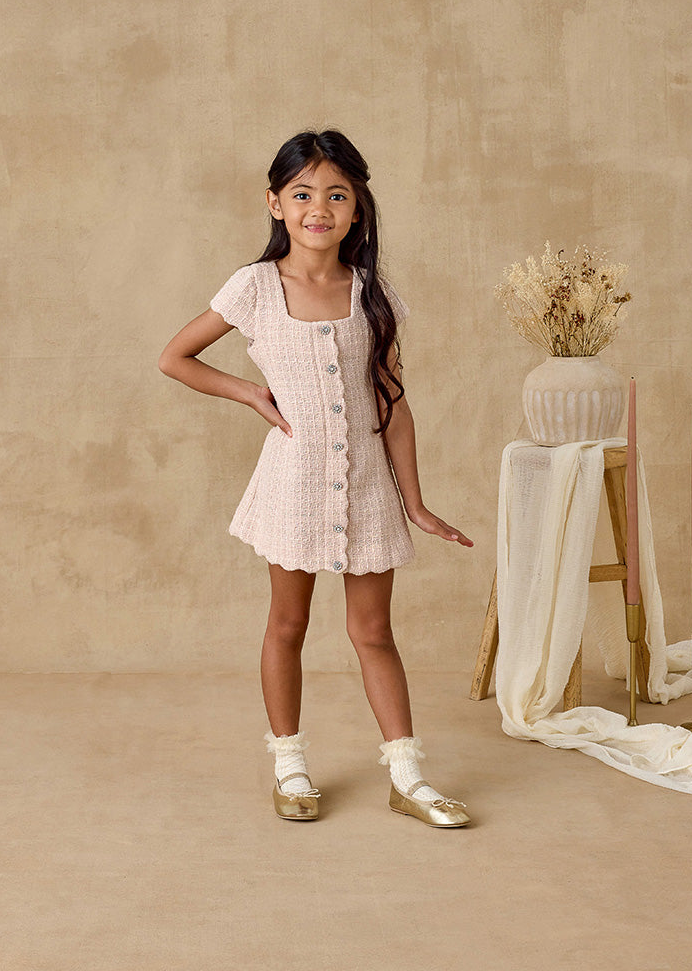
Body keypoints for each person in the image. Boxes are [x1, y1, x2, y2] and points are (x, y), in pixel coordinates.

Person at [159, 129, 473, 828]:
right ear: (276, 203)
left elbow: (392, 403)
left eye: (336, 194)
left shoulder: (371, 293)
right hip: (293, 484)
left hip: (366, 485)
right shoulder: (254, 287)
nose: (318, 207)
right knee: (288, 623)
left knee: (374, 632)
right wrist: (249, 394)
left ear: (358, 208)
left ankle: (408, 776)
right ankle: (290, 764)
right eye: (302, 193)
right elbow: (175, 356)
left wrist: (414, 502)